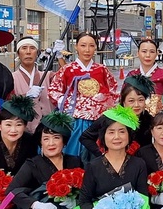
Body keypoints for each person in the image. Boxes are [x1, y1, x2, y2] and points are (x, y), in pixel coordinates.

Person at [48, 32, 119, 160]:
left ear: (95, 47)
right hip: (74, 120)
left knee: (98, 155)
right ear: (76, 47)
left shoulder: (102, 69)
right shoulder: (67, 69)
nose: (87, 50)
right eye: (83, 45)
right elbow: (54, 90)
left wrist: (103, 103)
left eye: (91, 45)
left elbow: (113, 91)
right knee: (73, 156)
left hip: (98, 120)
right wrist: (66, 102)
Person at [80, 74, 155, 158]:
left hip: (139, 163)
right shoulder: (111, 118)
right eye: (131, 101)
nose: (136, 105)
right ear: (123, 102)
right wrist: (103, 155)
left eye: (140, 100)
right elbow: (85, 137)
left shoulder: (150, 121)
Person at [12, 37, 53, 133]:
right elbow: (8, 103)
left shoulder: (48, 76)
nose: (28, 52)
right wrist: (25, 96)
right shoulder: (11, 78)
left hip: (48, 131)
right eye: (24, 48)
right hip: (24, 131)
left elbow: (68, 77)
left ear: (37, 53)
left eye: (32, 48)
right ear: (18, 53)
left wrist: (59, 57)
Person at [127, 38, 163, 115]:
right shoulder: (131, 75)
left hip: (158, 120)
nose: (148, 55)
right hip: (133, 119)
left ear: (156, 54)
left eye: (152, 52)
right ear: (138, 53)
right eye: (144, 51)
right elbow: (124, 100)